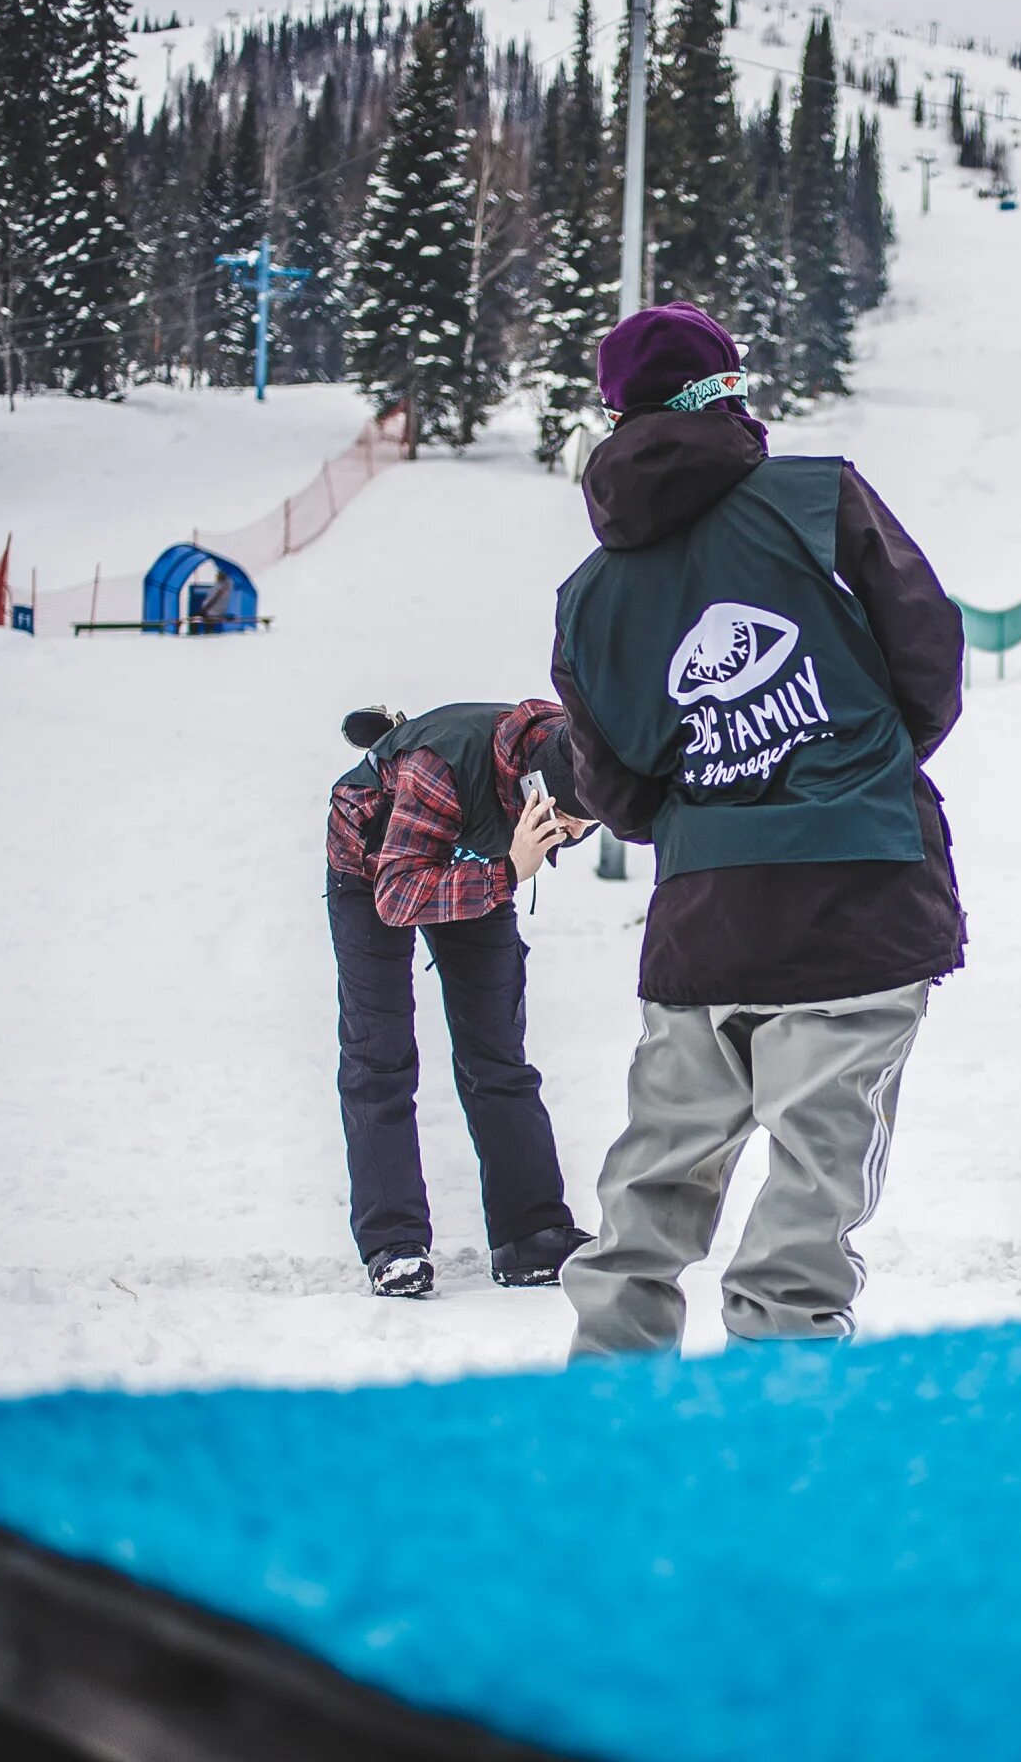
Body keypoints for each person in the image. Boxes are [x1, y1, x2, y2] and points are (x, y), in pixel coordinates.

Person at [550, 301, 965, 1356]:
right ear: (731, 389)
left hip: (706, 922)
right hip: (857, 903)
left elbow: (617, 784)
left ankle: (608, 1408)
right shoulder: (815, 498)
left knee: (654, 1182)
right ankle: (781, 1424)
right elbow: (929, 656)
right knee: (813, 1194)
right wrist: (855, 764)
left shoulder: (589, 595)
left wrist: (710, 808)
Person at [325, 698, 599, 1298]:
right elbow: (395, 900)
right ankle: (394, 1246)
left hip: (475, 861)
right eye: (566, 824)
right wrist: (507, 872)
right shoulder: (438, 765)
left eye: (584, 829)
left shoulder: (578, 748)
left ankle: (531, 1235)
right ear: (536, 796)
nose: (575, 836)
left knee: (498, 1054)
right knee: (380, 1055)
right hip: (376, 868)